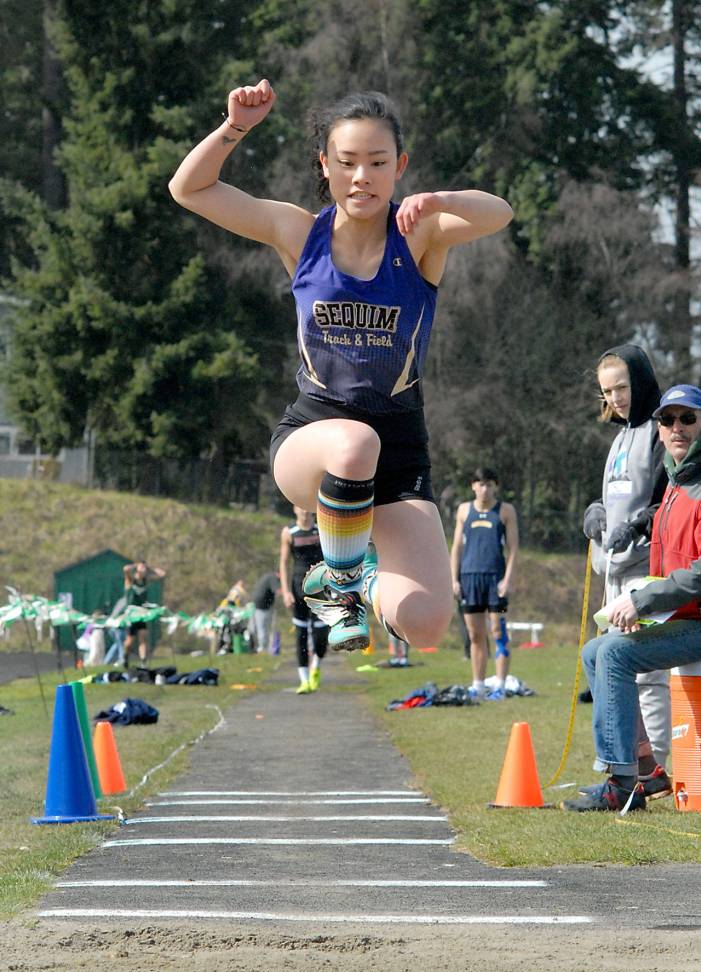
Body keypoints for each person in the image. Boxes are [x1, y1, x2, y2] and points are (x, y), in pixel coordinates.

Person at [169, 79, 513, 654]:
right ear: (324, 165)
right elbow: (189, 188)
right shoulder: (298, 232)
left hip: (400, 450)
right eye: (348, 162)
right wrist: (236, 128)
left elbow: (498, 214)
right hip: (313, 439)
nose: (362, 177)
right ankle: (341, 582)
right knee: (354, 444)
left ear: (398, 166)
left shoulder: (418, 232)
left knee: (427, 625)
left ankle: (352, 576)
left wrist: (444, 202)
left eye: (378, 163)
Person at [564, 384, 701, 812]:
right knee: (594, 650)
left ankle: (621, 782)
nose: (676, 428)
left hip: (695, 621)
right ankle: (645, 767)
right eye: (667, 420)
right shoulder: (678, 482)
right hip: (678, 617)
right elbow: (663, 526)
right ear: (659, 429)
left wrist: (642, 602)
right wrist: (628, 523)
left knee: (616, 656)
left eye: (687, 419)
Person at [581, 345, 670, 777]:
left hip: (645, 573)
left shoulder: (659, 432)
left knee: (645, 673)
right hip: (612, 573)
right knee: (608, 667)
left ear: (641, 382)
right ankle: (639, 758)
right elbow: (615, 495)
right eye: (607, 391)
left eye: (622, 387)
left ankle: (660, 768)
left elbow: (664, 503)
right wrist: (595, 511)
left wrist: (638, 526)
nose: (615, 398)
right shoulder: (619, 438)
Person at [450, 468, 519, 700]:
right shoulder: (463, 510)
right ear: (473, 486)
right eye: (480, 484)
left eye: (489, 484)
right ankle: (478, 685)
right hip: (470, 581)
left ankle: (499, 685)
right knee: (475, 634)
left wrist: (507, 580)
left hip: (495, 583)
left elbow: (513, 549)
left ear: (495, 487)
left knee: (499, 630)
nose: (484, 489)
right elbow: (457, 548)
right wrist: (454, 579)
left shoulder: (506, 510)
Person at [280, 506, 330, 694]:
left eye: (307, 507)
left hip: (320, 589)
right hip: (298, 589)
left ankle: (315, 665)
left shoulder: (321, 528)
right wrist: (285, 592)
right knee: (300, 635)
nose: (304, 511)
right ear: (294, 509)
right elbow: (284, 563)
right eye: (300, 507)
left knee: (320, 637)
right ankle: (303, 680)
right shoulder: (289, 532)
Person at [123, 560, 166, 667]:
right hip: (132, 614)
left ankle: (143, 661)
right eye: (141, 567)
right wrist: (136, 565)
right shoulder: (131, 580)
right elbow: (125, 569)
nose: (143, 570)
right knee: (130, 641)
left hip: (142, 613)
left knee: (143, 637)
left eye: (144, 568)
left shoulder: (146, 581)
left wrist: (150, 568)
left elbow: (162, 574)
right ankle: (125, 656)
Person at [251, 570, 281, 654]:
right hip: (262, 606)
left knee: (259, 627)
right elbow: (278, 591)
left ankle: (261, 647)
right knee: (263, 628)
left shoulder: (268, 575)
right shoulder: (273, 578)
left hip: (258, 605)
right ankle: (263, 648)